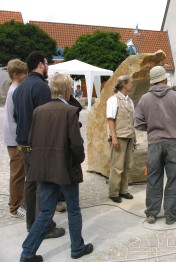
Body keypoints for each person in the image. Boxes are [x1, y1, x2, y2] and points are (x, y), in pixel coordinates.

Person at [19, 73, 93, 262]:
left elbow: (32, 139)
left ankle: (27, 252)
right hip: (65, 167)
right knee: (74, 209)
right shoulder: (69, 112)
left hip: (44, 166)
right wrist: (80, 158)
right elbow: (76, 143)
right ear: (68, 90)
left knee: (45, 211)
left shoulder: (39, 111)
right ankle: (77, 247)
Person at [13, 51, 64, 238]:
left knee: (31, 183)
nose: (48, 67)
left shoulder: (20, 87)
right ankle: (44, 228)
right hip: (38, 144)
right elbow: (47, 119)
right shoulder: (41, 87)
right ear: (41, 64)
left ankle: (32, 224)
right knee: (44, 186)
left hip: (24, 144)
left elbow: (16, 117)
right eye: (46, 63)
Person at [134, 65, 176, 225]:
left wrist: (151, 128)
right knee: (173, 178)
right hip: (173, 142)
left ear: (153, 81)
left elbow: (138, 123)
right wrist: (174, 128)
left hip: (154, 143)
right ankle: (171, 215)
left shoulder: (145, 99)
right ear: (165, 79)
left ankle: (151, 213)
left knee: (153, 178)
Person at [3, 59, 27, 218]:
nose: (26, 75)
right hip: (15, 139)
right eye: (24, 73)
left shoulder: (13, 88)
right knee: (18, 174)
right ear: (16, 74)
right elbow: (18, 117)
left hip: (12, 137)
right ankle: (15, 206)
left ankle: (17, 201)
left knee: (18, 172)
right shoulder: (15, 91)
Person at [106, 75, 135, 203]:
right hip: (119, 137)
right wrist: (114, 137)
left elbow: (132, 120)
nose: (132, 85)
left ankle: (123, 190)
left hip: (129, 137)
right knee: (117, 166)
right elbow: (110, 119)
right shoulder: (113, 100)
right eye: (130, 83)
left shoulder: (130, 101)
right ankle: (113, 192)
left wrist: (134, 136)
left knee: (127, 165)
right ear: (124, 85)